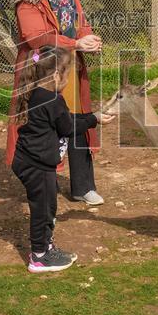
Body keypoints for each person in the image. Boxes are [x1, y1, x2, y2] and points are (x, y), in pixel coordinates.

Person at [7, 0, 106, 205]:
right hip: (41, 71)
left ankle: (83, 186)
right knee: (46, 122)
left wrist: (88, 37)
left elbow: (81, 22)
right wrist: (75, 43)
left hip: (69, 66)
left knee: (76, 118)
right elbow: (35, 37)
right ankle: (42, 182)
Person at [11, 46, 113, 273]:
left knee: (48, 206)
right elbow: (68, 127)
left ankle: (46, 247)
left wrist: (91, 116)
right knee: (43, 210)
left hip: (31, 161)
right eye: (68, 74)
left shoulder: (39, 93)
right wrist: (93, 120)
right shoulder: (52, 100)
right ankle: (38, 257)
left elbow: (64, 120)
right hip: (36, 165)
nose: (68, 80)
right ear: (56, 75)